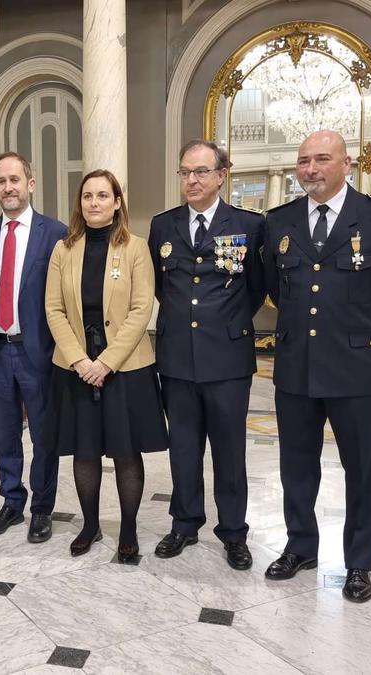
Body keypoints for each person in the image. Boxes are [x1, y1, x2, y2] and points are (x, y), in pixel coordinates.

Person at [261, 130, 371, 602]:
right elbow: (274, 286)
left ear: (346, 164)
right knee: (296, 466)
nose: (311, 169)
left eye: (322, 159)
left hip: (357, 370)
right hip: (295, 366)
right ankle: (300, 545)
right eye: (304, 160)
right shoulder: (279, 221)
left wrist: (370, 341)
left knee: (361, 470)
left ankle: (358, 563)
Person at [148, 140, 266, 570]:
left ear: (221, 175)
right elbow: (164, 289)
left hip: (228, 359)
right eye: (185, 172)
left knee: (229, 452)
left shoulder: (250, 226)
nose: (192, 180)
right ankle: (184, 523)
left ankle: (234, 532)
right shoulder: (163, 226)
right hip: (177, 357)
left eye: (201, 172)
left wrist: (226, 324)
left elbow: (257, 287)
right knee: (183, 449)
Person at [45, 170, 167, 562]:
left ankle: (128, 530)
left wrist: (107, 362)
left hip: (125, 367)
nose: (94, 202)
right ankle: (90, 524)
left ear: (117, 202)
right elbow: (54, 308)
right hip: (76, 366)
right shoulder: (64, 249)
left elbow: (140, 309)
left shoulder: (135, 247)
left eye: (102, 195)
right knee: (85, 451)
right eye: (87, 196)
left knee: (125, 452)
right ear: (79, 203)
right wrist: (81, 360)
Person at [0, 153, 67, 541]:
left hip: (37, 351)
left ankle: (42, 508)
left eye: (15, 179)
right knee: (4, 434)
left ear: (31, 183)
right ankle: (11, 502)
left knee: (44, 436)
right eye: (0, 181)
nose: (8, 187)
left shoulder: (54, 233)